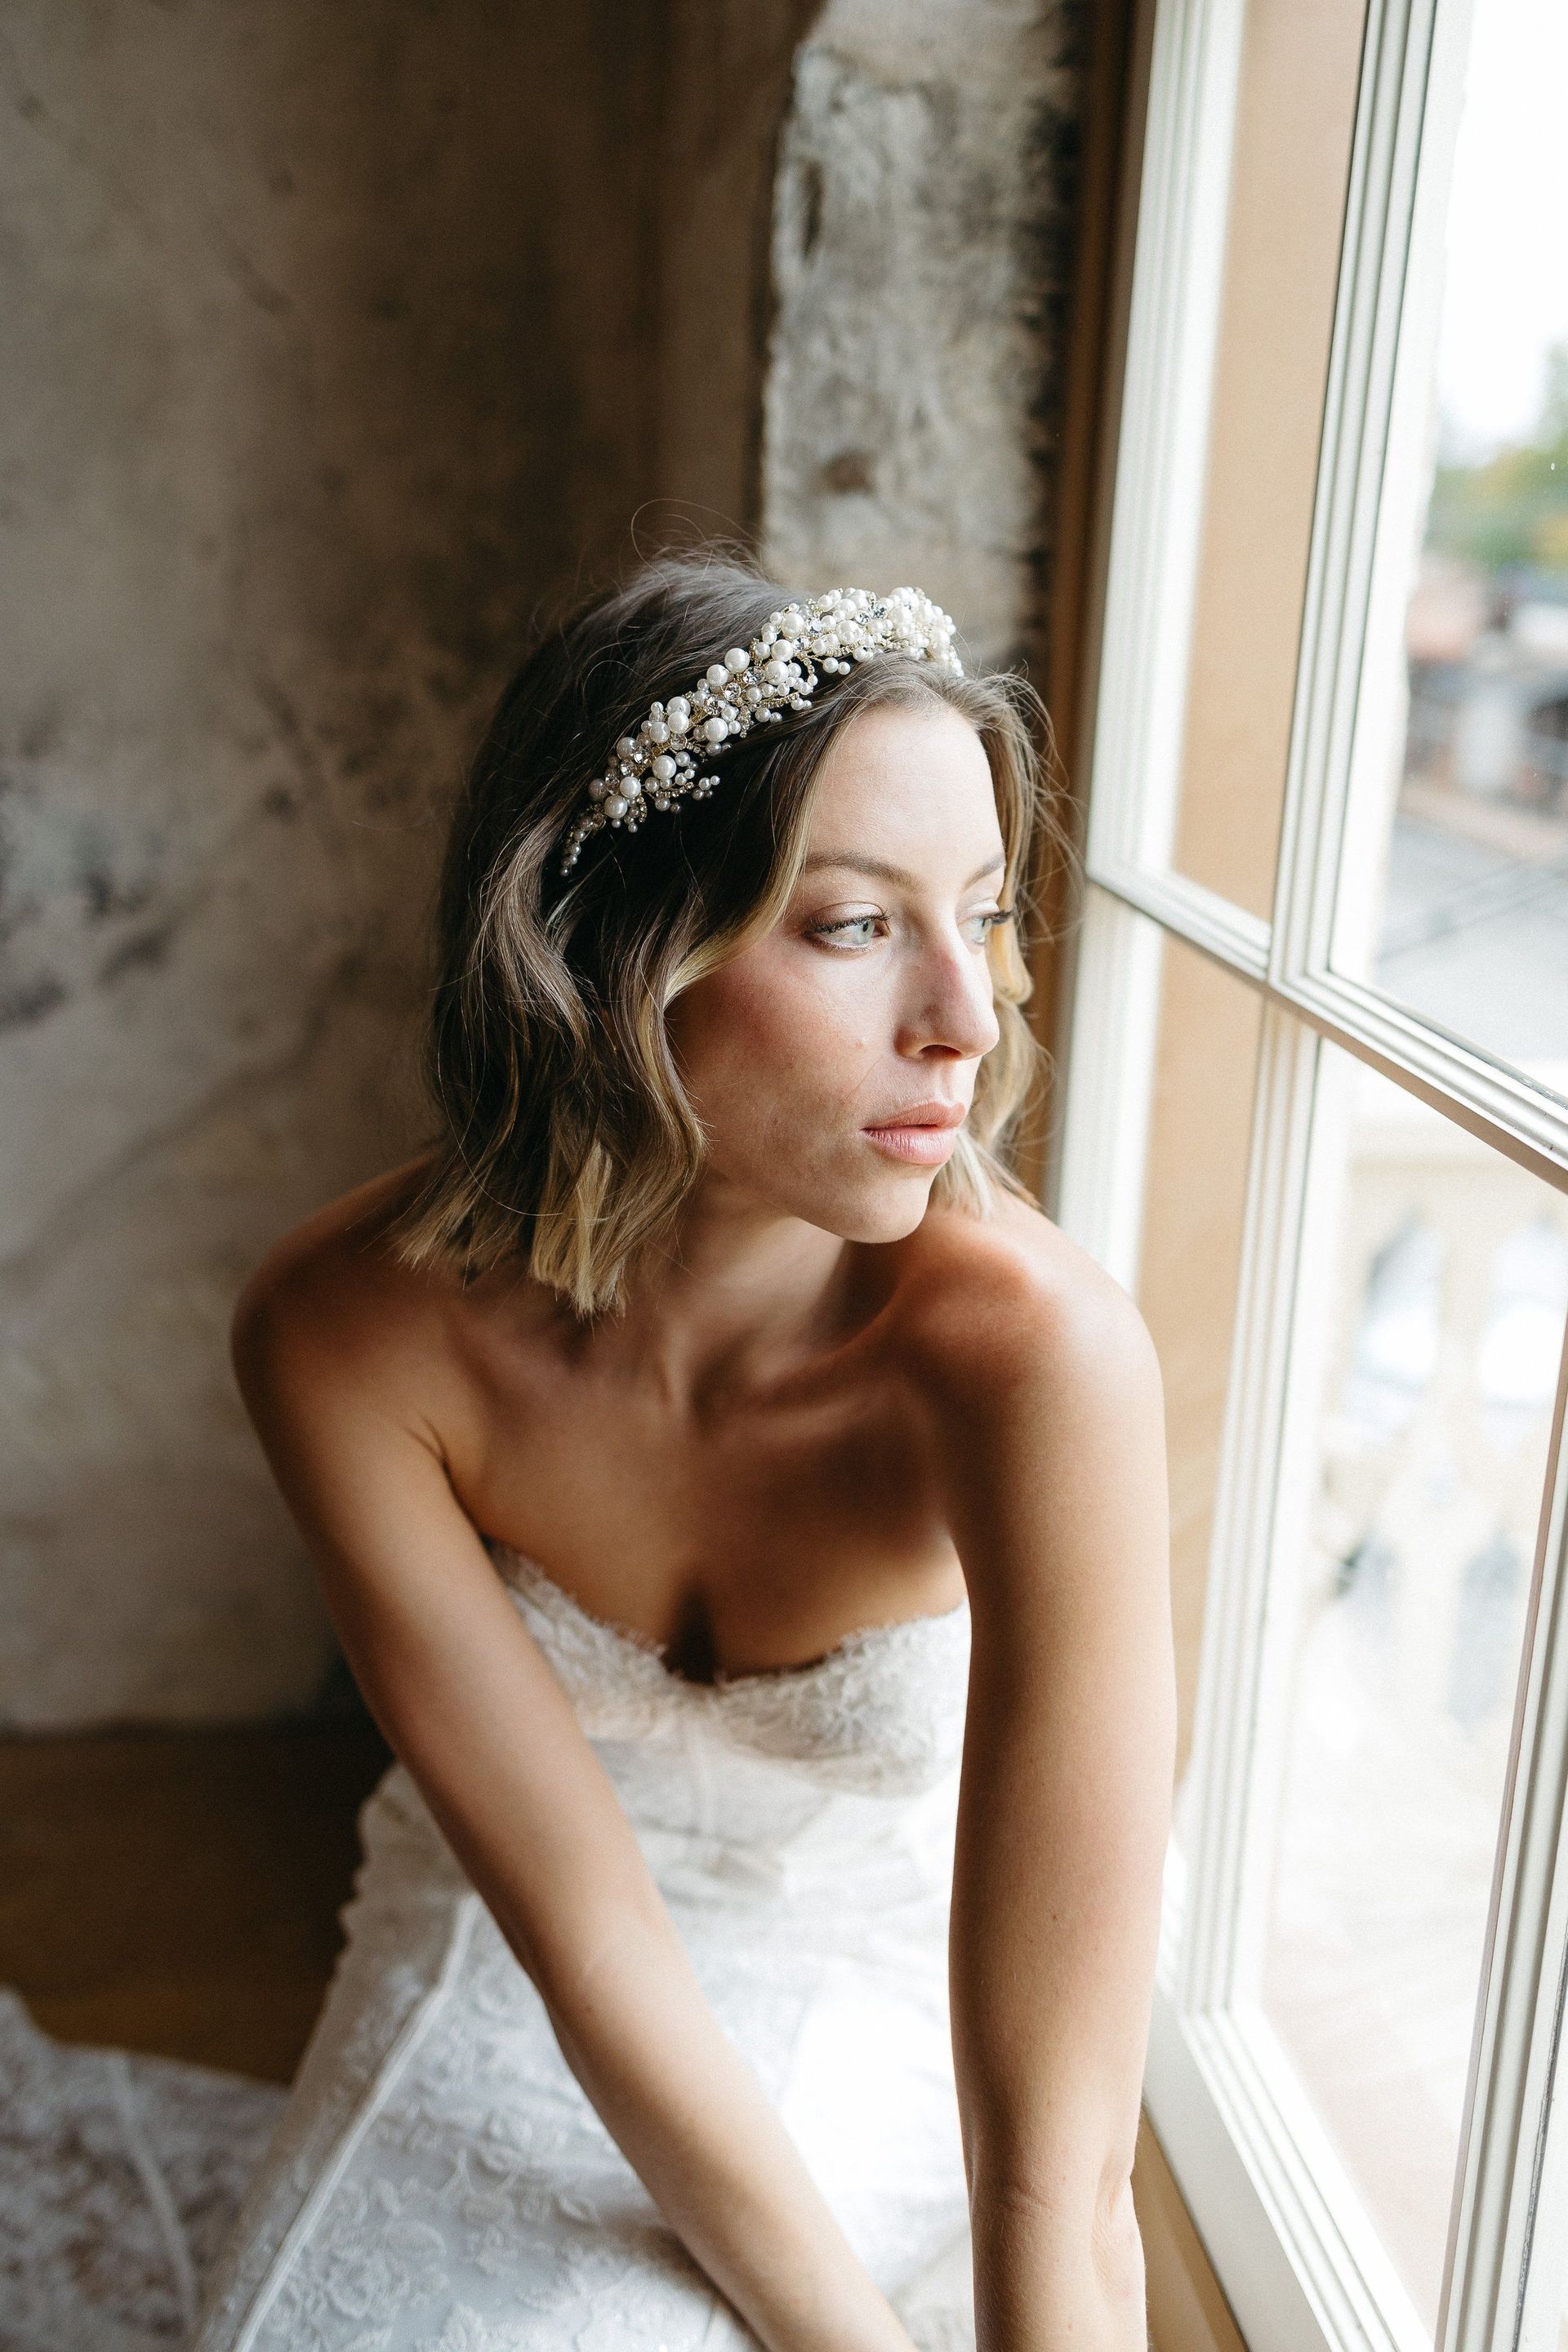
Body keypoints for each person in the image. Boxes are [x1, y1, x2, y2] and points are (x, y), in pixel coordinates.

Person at [189, 550, 1175, 2352]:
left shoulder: (1037, 1362)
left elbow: (1054, 2155)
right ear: (613, 950)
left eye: (983, 911)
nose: (969, 1015)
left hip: (902, 2018)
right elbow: (586, 1936)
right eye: (856, 924)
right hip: (503, 1964)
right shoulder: (341, 1335)